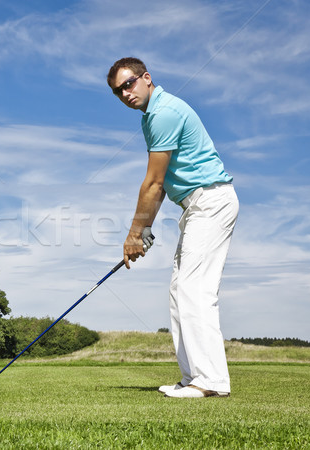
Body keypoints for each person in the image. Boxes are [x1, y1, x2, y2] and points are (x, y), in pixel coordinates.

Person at [107, 57, 239, 398]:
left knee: (196, 290)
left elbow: (153, 183)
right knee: (180, 290)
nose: (125, 93)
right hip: (196, 206)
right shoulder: (152, 117)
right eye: (118, 91)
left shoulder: (164, 112)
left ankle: (210, 381)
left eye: (129, 84)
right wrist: (146, 229)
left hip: (210, 201)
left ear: (146, 78)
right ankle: (193, 376)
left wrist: (135, 234)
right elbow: (163, 185)